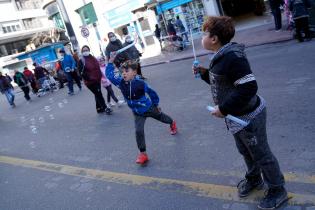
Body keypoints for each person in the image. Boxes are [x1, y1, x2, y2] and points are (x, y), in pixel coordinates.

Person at [193, 16, 288, 209]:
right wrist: (204, 74)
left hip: (249, 117)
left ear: (214, 39)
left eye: (204, 33)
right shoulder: (219, 57)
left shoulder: (232, 58)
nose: (201, 37)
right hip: (236, 118)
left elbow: (248, 87)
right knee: (245, 150)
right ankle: (254, 179)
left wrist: (224, 108)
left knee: (261, 154)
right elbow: (223, 83)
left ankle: (278, 189)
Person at [106, 57, 177, 165]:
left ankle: (172, 123)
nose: (123, 74)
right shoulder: (121, 82)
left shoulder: (140, 83)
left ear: (134, 72)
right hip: (137, 112)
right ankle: (143, 154)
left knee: (162, 118)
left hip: (148, 108)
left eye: (127, 71)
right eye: (122, 72)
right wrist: (110, 62)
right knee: (139, 131)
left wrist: (156, 104)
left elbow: (152, 93)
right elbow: (110, 75)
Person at [78, 45, 112, 114]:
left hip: (97, 79)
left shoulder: (93, 58)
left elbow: (98, 67)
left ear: (89, 50)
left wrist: (100, 76)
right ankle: (105, 108)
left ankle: (99, 109)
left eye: (87, 50)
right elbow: (81, 73)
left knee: (97, 93)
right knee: (99, 94)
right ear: (82, 51)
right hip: (90, 82)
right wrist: (90, 78)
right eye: (84, 50)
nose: (85, 51)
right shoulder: (81, 60)